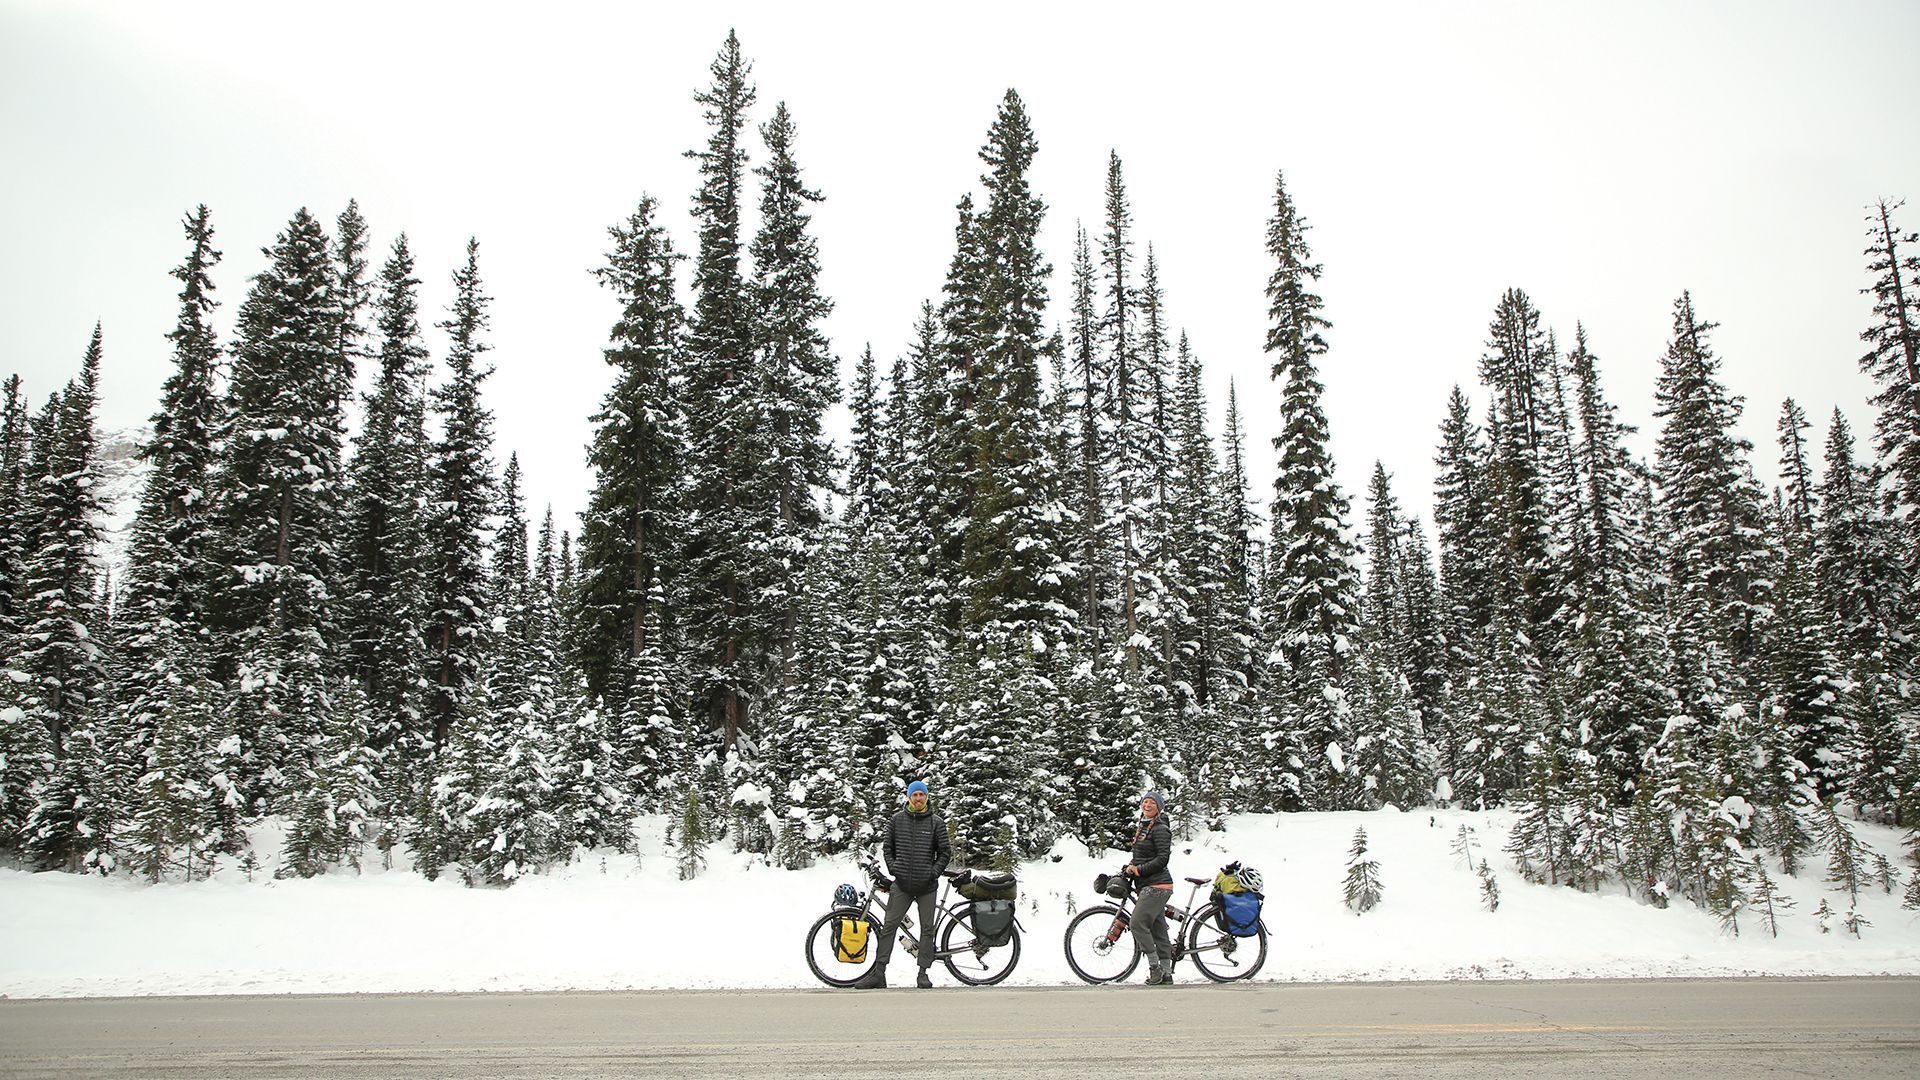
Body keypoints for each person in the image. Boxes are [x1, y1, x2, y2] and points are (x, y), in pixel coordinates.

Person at [853, 779, 951, 989]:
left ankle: (923, 973)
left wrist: (932, 873)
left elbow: (945, 853)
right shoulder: (897, 820)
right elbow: (888, 848)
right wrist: (894, 869)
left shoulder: (937, 823)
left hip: (927, 886)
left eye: (921, 795)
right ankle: (879, 974)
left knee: (927, 929)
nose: (918, 798)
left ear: (926, 797)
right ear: (909, 797)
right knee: (889, 927)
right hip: (902, 885)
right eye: (914, 795)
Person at [1124, 789, 1175, 985]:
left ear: (1159, 808)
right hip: (1148, 884)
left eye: (1152, 803)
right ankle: (1167, 973)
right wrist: (1130, 867)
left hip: (1158, 885)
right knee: (1158, 928)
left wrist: (1139, 870)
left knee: (1136, 923)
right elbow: (1142, 856)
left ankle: (1155, 968)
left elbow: (1162, 859)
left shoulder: (1160, 828)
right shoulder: (1143, 826)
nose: (1147, 805)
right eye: (1145, 802)